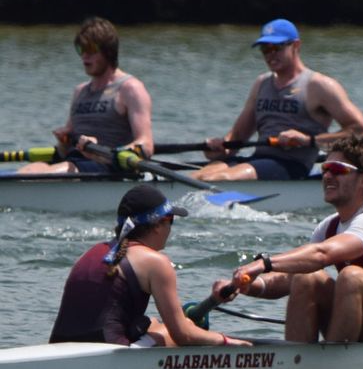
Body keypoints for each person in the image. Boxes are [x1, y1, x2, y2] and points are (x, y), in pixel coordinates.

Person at [210, 135, 363, 341]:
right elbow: (290, 277)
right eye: (326, 168)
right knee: (306, 278)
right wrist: (247, 284)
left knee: (351, 276)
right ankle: (297, 365)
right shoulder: (329, 226)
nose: (327, 175)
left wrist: (263, 263)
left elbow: (321, 254)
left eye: (338, 169)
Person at [49, 185, 244, 347]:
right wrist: (227, 342)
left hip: (58, 347)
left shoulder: (91, 252)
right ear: (159, 223)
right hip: (109, 352)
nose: (171, 229)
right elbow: (183, 335)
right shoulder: (156, 262)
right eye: (171, 221)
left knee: (153, 323)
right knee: (176, 329)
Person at [197, 19, 363, 181]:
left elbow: (362, 133)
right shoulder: (262, 83)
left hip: (291, 166)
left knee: (221, 178)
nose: (270, 55)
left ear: (296, 45)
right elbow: (236, 138)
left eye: (276, 48)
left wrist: (307, 140)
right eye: (265, 49)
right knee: (200, 176)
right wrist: (220, 147)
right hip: (258, 161)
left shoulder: (320, 86)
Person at [17, 18, 156, 176]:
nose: (84, 56)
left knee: (35, 177)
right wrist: (63, 141)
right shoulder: (80, 91)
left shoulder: (130, 89)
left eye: (90, 49)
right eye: (80, 49)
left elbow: (146, 145)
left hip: (108, 168)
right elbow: (64, 150)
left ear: (108, 51)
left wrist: (105, 152)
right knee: (27, 171)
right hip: (75, 162)